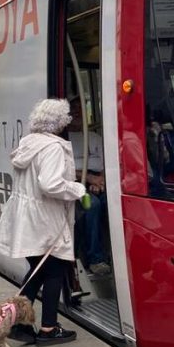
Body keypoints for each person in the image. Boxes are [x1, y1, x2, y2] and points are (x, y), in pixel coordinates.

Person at [0, 98, 86, 345]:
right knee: (54, 271)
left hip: (26, 218)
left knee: (36, 272)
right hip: (45, 217)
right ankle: (48, 328)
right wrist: (78, 189)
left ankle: (19, 323)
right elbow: (51, 184)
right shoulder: (53, 148)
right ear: (60, 122)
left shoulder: (29, 144)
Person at [67, 96, 110, 276]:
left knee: (115, 204)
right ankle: (95, 259)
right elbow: (63, 168)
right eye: (73, 108)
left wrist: (100, 180)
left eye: (81, 108)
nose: (77, 111)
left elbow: (109, 162)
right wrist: (89, 179)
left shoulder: (94, 137)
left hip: (99, 182)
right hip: (76, 183)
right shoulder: (64, 139)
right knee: (91, 205)